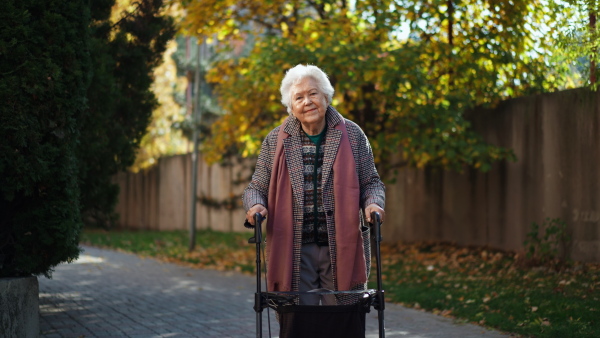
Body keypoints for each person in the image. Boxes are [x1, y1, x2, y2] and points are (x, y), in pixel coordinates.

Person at [243, 64, 385, 305]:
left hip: (342, 245)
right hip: (294, 247)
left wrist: (373, 204)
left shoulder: (353, 134)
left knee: (341, 319)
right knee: (300, 321)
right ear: (291, 106)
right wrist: (255, 206)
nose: (307, 101)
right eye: (298, 97)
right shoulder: (276, 140)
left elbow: (371, 182)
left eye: (313, 93)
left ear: (326, 97)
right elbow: (256, 187)